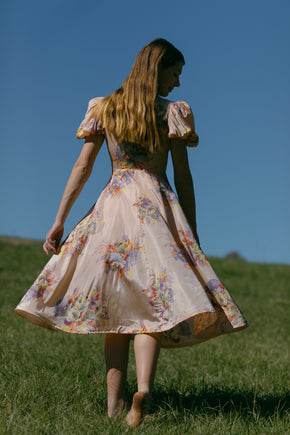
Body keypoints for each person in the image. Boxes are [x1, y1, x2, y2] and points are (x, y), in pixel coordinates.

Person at [15, 38, 248, 427]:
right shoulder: (173, 112)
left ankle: (113, 407)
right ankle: (144, 391)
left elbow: (82, 168)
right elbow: (184, 178)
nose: (177, 82)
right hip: (155, 207)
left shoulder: (104, 107)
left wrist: (59, 219)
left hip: (113, 208)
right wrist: (191, 232)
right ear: (159, 69)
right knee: (150, 309)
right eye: (175, 72)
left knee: (115, 311)